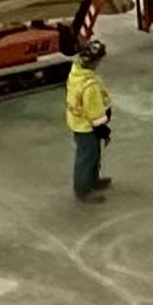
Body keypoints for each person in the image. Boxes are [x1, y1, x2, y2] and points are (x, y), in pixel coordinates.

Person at [61, 30, 113, 203]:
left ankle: (92, 180)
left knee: (93, 153)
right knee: (87, 156)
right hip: (86, 126)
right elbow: (94, 111)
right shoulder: (89, 85)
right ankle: (83, 189)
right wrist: (103, 128)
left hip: (79, 122)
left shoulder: (77, 72)